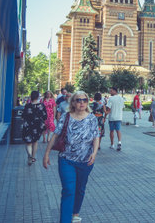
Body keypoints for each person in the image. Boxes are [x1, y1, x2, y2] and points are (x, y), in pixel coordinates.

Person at [43, 91, 99, 223]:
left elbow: (96, 136)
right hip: (66, 160)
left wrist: (94, 153)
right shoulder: (66, 116)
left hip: (85, 161)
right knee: (68, 190)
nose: (82, 103)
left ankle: (75, 213)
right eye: (78, 100)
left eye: (84, 100)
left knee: (80, 189)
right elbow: (55, 135)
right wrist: (46, 153)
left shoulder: (91, 118)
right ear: (73, 102)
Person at [22, 91, 47, 166]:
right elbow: (45, 116)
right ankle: (33, 157)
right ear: (37, 97)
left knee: (28, 142)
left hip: (28, 125)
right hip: (37, 126)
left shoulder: (27, 105)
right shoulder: (42, 105)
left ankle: (29, 155)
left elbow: (23, 116)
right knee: (35, 142)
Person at [106, 87, 125, 151]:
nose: (110, 92)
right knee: (118, 130)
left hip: (112, 117)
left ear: (115, 91)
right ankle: (119, 142)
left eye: (111, 91)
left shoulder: (111, 99)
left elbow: (108, 109)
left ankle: (112, 144)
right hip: (119, 117)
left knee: (111, 131)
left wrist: (105, 116)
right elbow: (122, 107)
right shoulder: (121, 98)